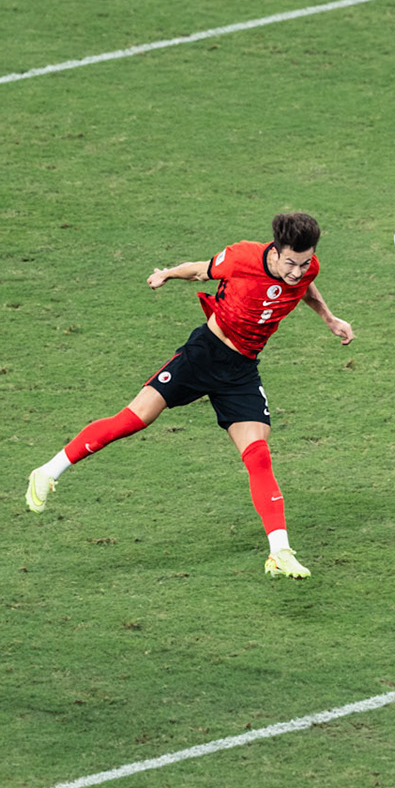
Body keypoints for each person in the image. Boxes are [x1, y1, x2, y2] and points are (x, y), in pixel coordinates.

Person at [25, 211, 354, 578]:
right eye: (290, 263)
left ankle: (279, 553)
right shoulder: (243, 257)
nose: (297, 271)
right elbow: (200, 270)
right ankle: (48, 471)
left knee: (259, 454)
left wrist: (330, 319)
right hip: (204, 354)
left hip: (241, 371)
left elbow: (305, 286)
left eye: (305, 263)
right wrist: (166, 273)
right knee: (135, 418)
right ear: (275, 251)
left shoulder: (306, 269)